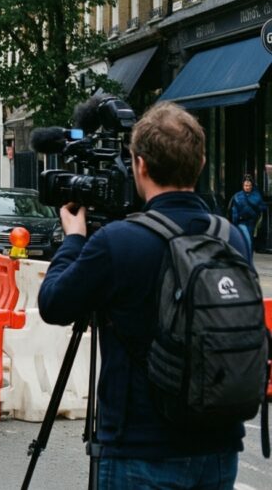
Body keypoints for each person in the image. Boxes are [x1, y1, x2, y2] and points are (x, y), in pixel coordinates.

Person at [38, 102, 251, 488]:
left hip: (140, 450)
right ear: (200, 162)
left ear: (140, 166)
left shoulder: (118, 242)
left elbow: (53, 304)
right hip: (218, 450)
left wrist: (73, 239)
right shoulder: (230, 236)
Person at [228, 174, 267, 251]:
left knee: (249, 243)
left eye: (249, 185)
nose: (247, 187)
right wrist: (235, 221)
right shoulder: (237, 196)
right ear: (243, 185)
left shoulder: (256, 196)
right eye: (246, 185)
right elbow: (234, 210)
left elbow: (262, 208)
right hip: (240, 222)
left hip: (251, 223)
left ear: (252, 186)